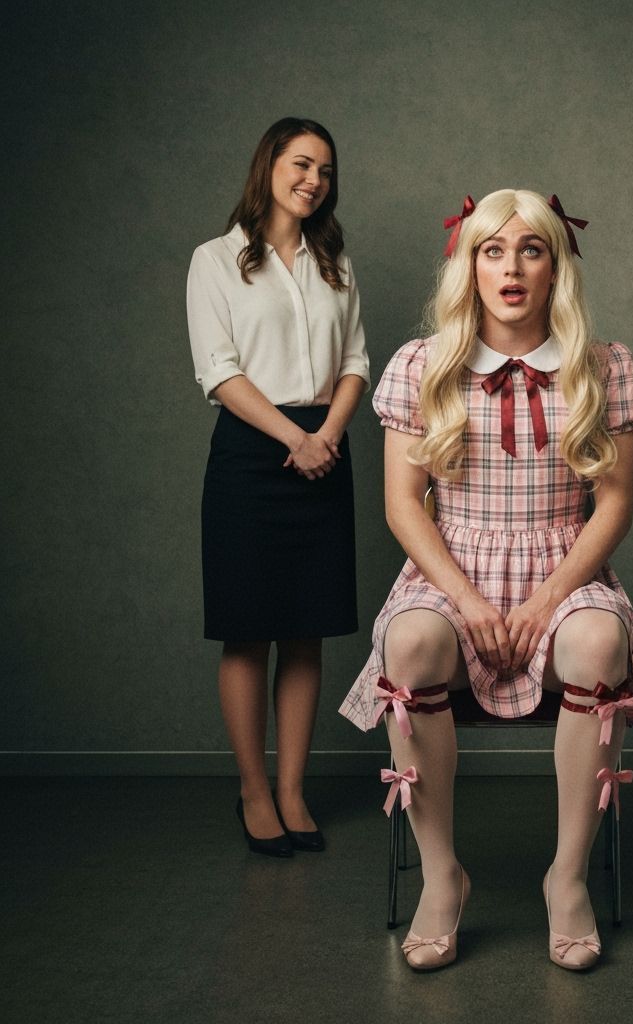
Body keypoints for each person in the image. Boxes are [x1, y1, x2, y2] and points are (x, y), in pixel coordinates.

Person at [339, 188, 633, 969]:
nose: (511, 267)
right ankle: (442, 877)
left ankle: (568, 878)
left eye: (531, 249)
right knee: (411, 645)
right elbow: (400, 504)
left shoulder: (602, 365)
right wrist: (468, 600)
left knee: (596, 640)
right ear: (469, 264)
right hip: (454, 572)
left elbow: (614, 506)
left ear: (557, 266)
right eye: (492, 250)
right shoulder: (423, 364)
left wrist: (548, 596)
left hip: (564, 567)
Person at [187, 117, 369, 857]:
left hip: (326, 448)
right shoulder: (215, 259)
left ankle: (294, 790)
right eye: (302, 164)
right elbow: (218, 370)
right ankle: (254, 791)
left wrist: (326, 434)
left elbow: (357, 360)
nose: (314, 180)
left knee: (305, 627)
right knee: (247, 627)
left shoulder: (336, 262)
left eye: (325, 170)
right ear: (269, 166)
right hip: (253, 455)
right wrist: (294, 436)